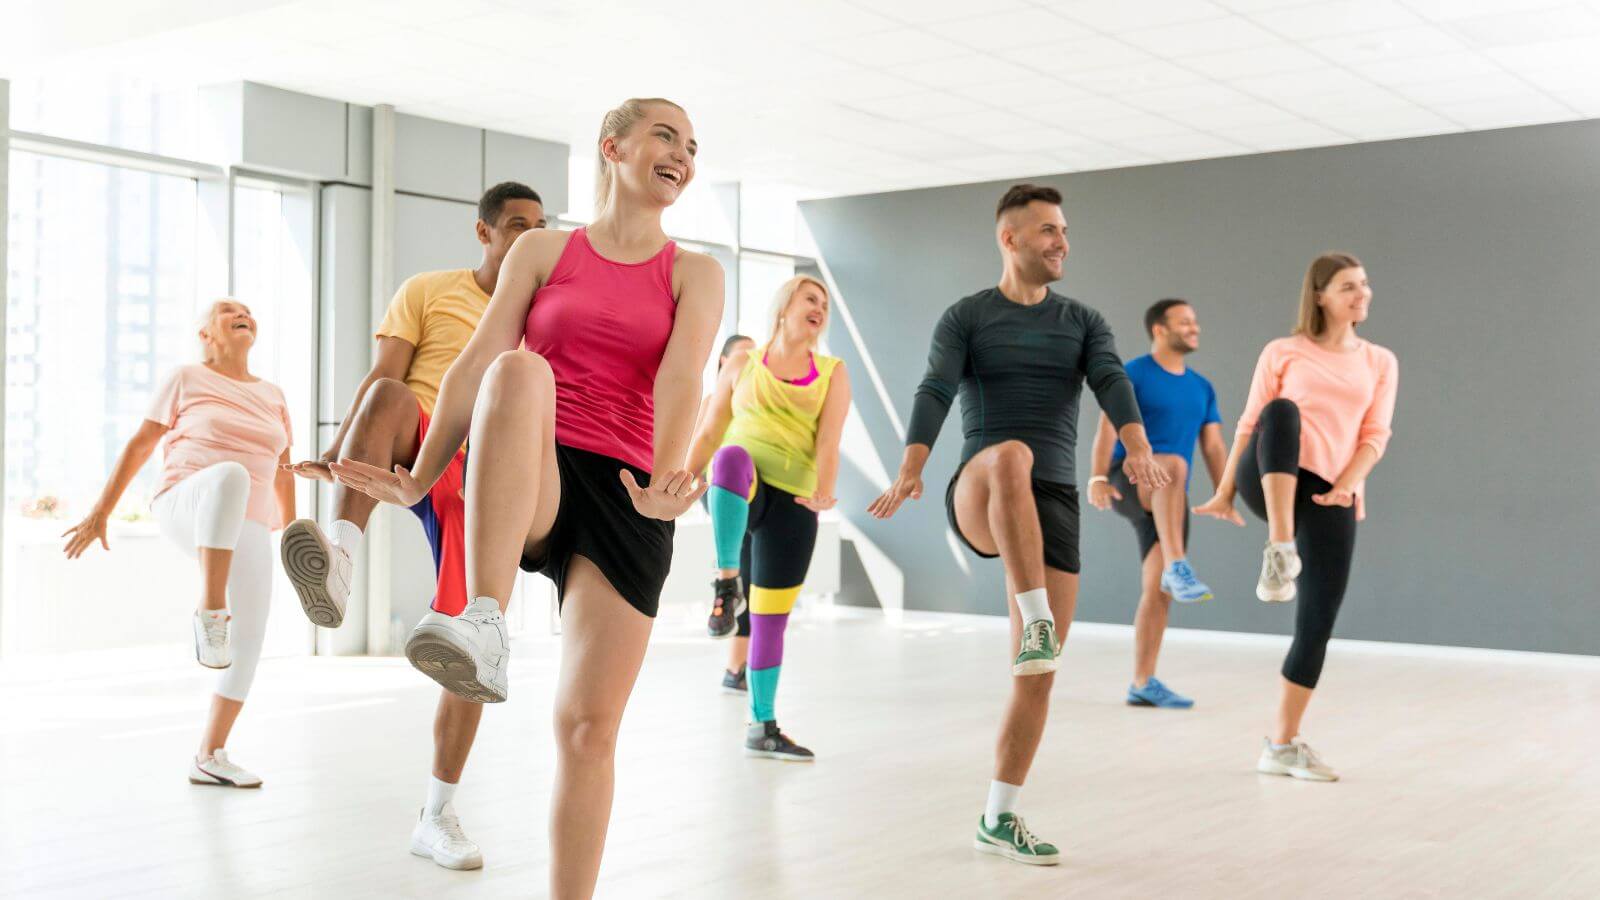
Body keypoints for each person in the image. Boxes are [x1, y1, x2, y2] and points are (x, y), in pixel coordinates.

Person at [331, 97, 722, 899]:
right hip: (535, 464)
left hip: (627, 490)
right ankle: (485, 621)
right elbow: (475, 363)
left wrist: (665, 477)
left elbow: (684, 375)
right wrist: (420, 470)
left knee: (586, 729)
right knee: (518, 368)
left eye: (691, 145)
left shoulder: (694, 271)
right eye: (664, 135)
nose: (682, 152)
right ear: (612, 147)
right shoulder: (542, 250)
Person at [869, 184, 1168, 866]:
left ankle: (998, 818)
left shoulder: (1083, 320)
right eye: (1047, 231)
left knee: (1037, 676)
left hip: (1053, 503)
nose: (1061, 241)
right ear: (1010, 240)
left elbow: (1112, 380)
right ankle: (1031, 617)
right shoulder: (968, 316)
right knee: (1011, 454)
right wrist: (913, 467)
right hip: (983, 488)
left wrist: (1138, 444)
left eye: (1063, 230)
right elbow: (935, 388)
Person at [279, 182, 545, 869]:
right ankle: (339, 557)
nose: (530, 236)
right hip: (417, 436)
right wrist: (340, 457)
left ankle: (438, 813)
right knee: (393, 393)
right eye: (517, 225)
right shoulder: (428, 290)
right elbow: (380, 379)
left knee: (469, 645)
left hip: (485, 473)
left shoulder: (545, 315)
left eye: (541, 227)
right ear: (483, 232)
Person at [63, 299, 293, 789]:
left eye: (249, 310)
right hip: (185, 502)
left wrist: (293, 536)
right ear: (205, 334)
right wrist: (101, 512)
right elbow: (141, 445)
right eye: (228, 310)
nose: (243, 312)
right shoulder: (187, 378)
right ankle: (211, 612)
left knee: (251, 639)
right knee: (230, 475)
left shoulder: (273, 394)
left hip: (246, 522)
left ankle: (209, 755)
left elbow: (284, 470)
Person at [1194, 252, 1398, 783]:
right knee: (1280, 411)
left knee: (1317, 624)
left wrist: (1347, 489)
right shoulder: (1284, 351)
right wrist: (1222, 492)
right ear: (1320, 297)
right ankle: (1280, 549)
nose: (1362, 294)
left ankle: (1281, 745)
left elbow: (1375, 436)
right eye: (1349, 287)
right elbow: (1248, 423)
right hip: (1268, 475)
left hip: (1331, 491)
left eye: (1364, 284)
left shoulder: (1379, 362)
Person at [688, 277, 850, 760]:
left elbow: (828, 440)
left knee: (770, 619)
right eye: (810, 299)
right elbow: (712, 426)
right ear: (784, 307)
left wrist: (825, 491)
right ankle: (725, 583)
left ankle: (762, 725)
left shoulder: (831, 372)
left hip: (794, 503)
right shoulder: (743, 363)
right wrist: (682, 480)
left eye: (824, 303)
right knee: (731, 456)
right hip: (745, 486)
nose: (819, 308)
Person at [1086, 298, 1226, 709]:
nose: (1194, 327)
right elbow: (1107, 430)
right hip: (1128, 479)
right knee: (1170, 462)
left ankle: (1142, 682)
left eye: (1195, 321)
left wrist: (1223, 493)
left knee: (1157, 591)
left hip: (1170, 497)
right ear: (1159, 330)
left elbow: (1215, 446)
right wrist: (1096, 477)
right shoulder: (1132, 375)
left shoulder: (1202, 387)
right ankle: (1178, 565)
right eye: (1185, 322)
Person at [695, 333, 756, 693]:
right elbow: (699, 445)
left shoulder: (758, 399)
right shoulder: (712, 401)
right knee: (744, 576)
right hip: (721, 489)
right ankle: (736, 668)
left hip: (754, 489)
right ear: (724, 362)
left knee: (752, 578)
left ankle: (739, 667)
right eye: (743, 355)